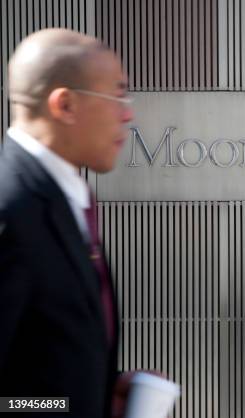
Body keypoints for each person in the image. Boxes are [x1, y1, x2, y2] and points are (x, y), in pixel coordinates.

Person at [0, 28, 150, 418]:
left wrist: (102, 395)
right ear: (64, 105)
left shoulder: (63, 196)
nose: (128, 112)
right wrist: (68, 406)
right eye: (118, 95)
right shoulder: (10, 209)